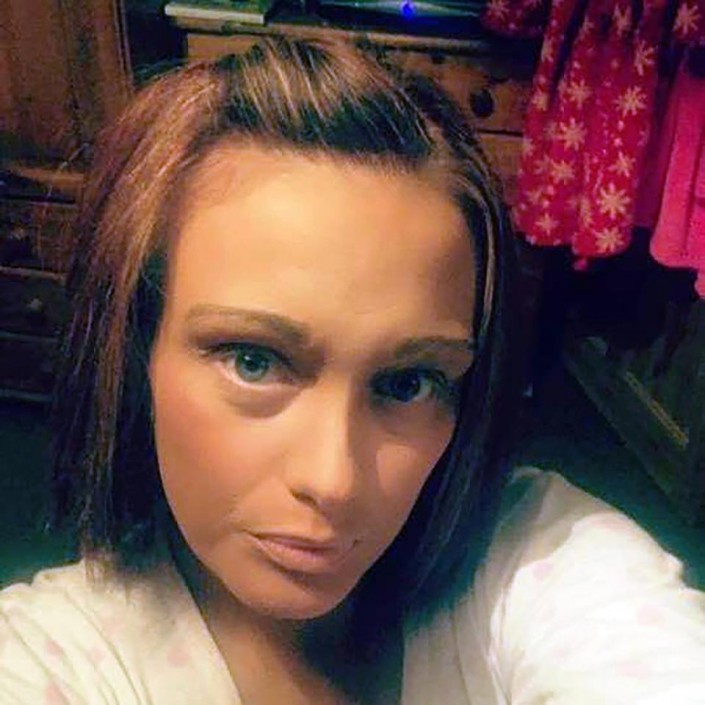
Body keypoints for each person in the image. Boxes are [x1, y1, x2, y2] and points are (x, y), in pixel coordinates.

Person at [0, 37, 704, 705]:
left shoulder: (539, 557)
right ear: (135, 353)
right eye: (254, 361)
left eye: (407, 383)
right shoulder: (45, 660)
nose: (334, 481)